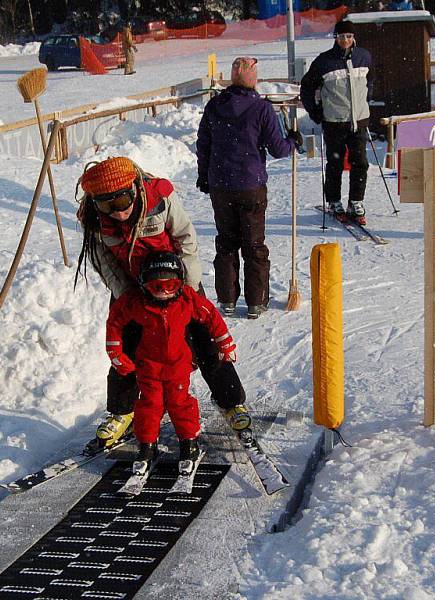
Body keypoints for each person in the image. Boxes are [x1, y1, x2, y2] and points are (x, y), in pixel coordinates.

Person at [75, 157, 250, 454]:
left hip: (177, 283)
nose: (118, 212)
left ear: (134, 188)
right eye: (107, 206)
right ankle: (122, 411)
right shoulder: (92, 220)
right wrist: (127, 296)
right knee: (126, 348)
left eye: (122, 199)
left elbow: (186, 238)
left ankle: (231, 402)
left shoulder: (160, 197)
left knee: (206, 344)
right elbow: (103, 261)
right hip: (132, 289)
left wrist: (188, 288)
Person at [105, 251, 237, 474]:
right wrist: (116, 353)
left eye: (171, 285)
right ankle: (147, 444)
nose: (165, 293)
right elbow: (115, 321)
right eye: (157, 287)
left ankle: (188, 442)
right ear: (144, 284)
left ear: (180, 283)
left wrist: (225, 343)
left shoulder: (187, 299)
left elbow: (211, 316)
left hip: (177, 366)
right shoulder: (136, 302)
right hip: (148, 367)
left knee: (180, 403)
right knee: (150, 404)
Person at [196, 57, 300, 319]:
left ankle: (227, 299)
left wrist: (204, 175)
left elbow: (203, 143)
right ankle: (256, 301)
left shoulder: (215, 106)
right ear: (251, 77)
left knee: (227, 242)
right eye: (255, 72)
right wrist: (292, 142)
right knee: (253, 244)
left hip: (221, 184)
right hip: (250, 184)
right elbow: (277, 148)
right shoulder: (261, 108)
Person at [300, 19, 374, 225]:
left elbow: (370, 82)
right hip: (334, 121)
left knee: (360, 163)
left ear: (354, 38)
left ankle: (356, 202)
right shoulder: (324, 61)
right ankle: (334, 201)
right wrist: (315, 113)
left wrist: (365, 104)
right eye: (341, 37)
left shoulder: (364, 57)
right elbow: (306, 87)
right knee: (335, 163)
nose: (345, 40)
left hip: (358, 120)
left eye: (348, 37)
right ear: (336, 38)